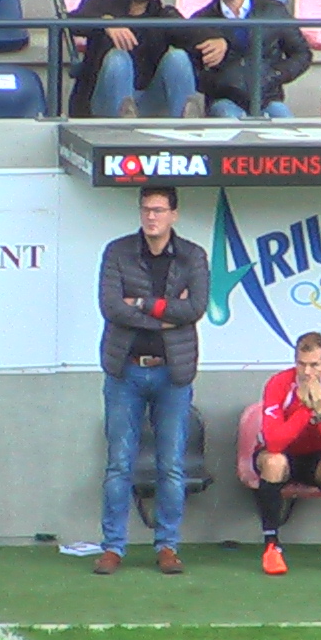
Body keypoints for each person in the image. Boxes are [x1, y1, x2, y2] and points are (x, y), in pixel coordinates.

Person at [94, 186, 210, 576]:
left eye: (159, 210)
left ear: (174, 214)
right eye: (146, 209)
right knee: (118, 464)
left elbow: (195, 308)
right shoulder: (117, 252)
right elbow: (111, 307)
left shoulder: (192, 255)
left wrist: (142, 303)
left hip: (172, 371)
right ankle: (113, 547)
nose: (151, 217)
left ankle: (167, 546)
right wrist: (166, 315)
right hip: (125, 370)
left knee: (171, 465)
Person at [253, 331, 321, 575]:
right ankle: (271, 546)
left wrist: (320, 411)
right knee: (274, 461)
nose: (307, 372)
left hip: (317, 459)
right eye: (301, 364)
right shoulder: (278, 383)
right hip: (282, 455)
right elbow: (274, 442)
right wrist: (304, 408)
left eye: (314, 365)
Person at [67, 0, 203, 119]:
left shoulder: (163, 15)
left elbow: (193, 34)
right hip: (102, 104)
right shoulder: (100, 5)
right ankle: (124, 125)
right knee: (118, 59)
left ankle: (188, 127)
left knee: (178, 58)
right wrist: (105, 22)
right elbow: (71, 22)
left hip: (148, 102)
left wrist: (217, 40)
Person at [189, 0, 312, 119]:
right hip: (223, 101)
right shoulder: (201, 20)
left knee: (286, 125)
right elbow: (192, 66)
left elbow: (302, 53)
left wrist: (275, 74)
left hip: (267, 99)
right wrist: (219, 83)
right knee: (227, 117)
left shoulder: (273, 11)